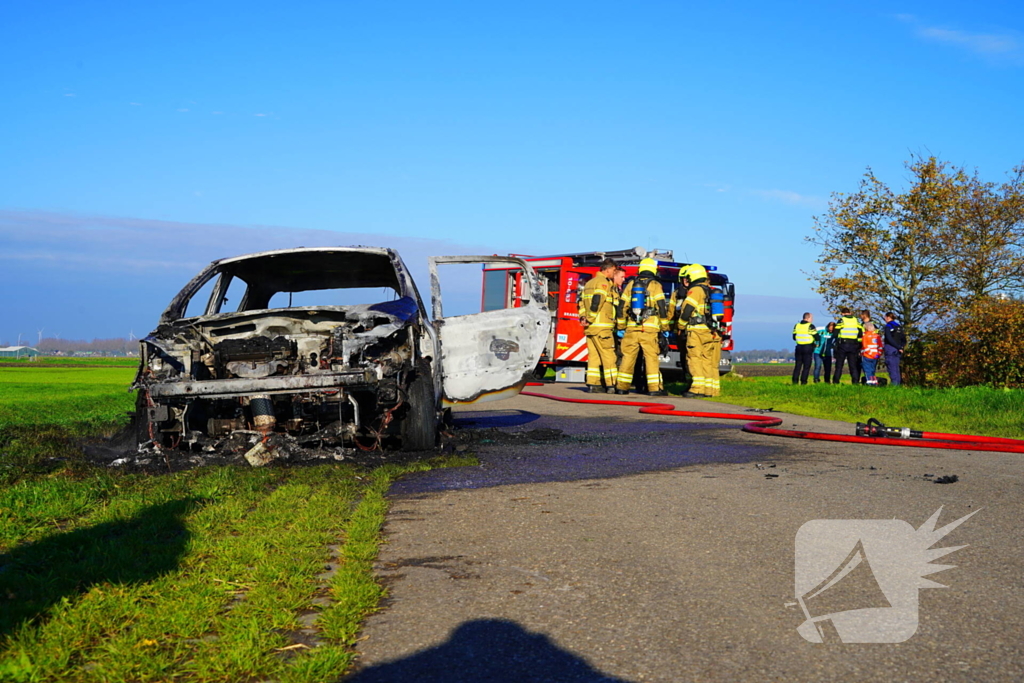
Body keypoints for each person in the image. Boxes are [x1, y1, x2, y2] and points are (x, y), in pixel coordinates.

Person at [614, 258, 670, 396]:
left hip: (632, 328)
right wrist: (665, 327)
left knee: (627, 357)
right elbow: (661, 307)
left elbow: (622, 306)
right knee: (651, 358)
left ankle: (622, 387)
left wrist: (621, 326)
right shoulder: (655, 285)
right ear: (654, 270)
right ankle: (654, 389)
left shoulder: (631, 284)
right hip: (649, 329)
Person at [669, 263, 719, 398]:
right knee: (706, 360)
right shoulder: (709, 289)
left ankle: (696, 388)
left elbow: (687, 310)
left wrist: (680, 326)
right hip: (709, 331)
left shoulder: (695, 290)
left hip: (696, 331)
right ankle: (710, 390)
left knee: (694, 358)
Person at [578, 258, 619, 393]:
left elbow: (581, 302)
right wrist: (590, 317)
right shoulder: (603, 283)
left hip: (590, 328)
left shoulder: (589, 283)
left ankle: (593, 384)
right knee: (609, 356)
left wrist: (583, 317)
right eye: (614, 270)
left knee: (594, 356)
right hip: (602, 327)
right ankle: (611, 385)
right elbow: (597, 301)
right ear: (607, 270)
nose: (614, 273)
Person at [832, 307, 864, 384]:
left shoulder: (842, 320)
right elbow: (860, 332)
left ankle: (836, 381)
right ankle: (855, 382)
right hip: (853, 345)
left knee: (839, 365)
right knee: (853, 365)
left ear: (842, 314)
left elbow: (835, 333)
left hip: (843, 344)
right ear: (850, 313)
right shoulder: (856, 320)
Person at [792, 312, 816, 385]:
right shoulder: (810, 326)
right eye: (811, 318)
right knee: (806, 366)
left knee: (798, 365)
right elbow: (816, 336)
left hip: (799, 347)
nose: (812, 320)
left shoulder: (797, 325)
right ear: (808, 318)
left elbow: (793, 337)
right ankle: (803, 381)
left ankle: (795, 381)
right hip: (807, 347)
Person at [882, 312, 905, 385]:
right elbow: (904, 339)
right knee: (896, 368)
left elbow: (889, 338)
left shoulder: (888, 326)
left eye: (885, 317)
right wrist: (901, 347)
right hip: (898, 350)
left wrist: (897, 346)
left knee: (892, 368)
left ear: (888, 317)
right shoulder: (898, 326)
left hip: (890, 348)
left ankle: (894, 385)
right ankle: (898, 384)